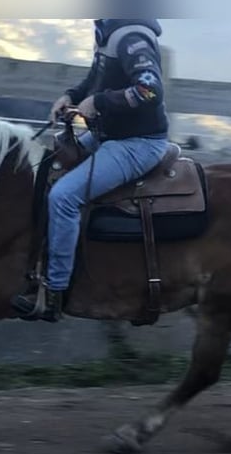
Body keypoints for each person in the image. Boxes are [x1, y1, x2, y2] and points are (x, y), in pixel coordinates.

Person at [12, 18, 171, 322]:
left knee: (63, 197)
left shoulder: (132, 37)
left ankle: (55, 291)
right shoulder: (110, 32)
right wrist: (71, 96)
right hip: (108, 137)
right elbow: (97, 80)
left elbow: (150, 90)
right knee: (46, 171)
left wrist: (99, 102)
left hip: (137, 143)